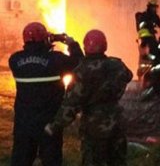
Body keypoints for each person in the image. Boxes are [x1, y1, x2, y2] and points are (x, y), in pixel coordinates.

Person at [45, 29, 133, 166]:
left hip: (94, 126)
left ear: (86, 47)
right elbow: (128, 76)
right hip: (117, 122)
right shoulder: (117, 65)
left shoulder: (81, 72)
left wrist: (54, 126)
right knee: (118, 161)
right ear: (105, 45)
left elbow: (71, 104)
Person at [9, 21, 84, 166]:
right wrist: (72, 44)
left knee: (21, 160)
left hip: (23, 123)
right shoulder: (56, 59)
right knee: (51, 160)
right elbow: (80, 63)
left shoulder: (15, 60)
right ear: (44, 38)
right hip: (49, 123)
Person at [135, 0, 160, 79]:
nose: (155, 9)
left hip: (151, 37)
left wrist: (156, 17)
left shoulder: (154, 16)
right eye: (154, 7)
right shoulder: (144, 15)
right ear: (150, 7)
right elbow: (141, 26)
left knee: (154, 53)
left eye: (156, 7)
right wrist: (149, 26)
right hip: (144, 37)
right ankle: (141, 72)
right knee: (144, 55)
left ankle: (151, 71)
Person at [140, 35, 160, 101]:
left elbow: (155, 57)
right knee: (154, 80)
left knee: (155, 81)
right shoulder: (153, 43)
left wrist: (146, 56)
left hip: (159, 66)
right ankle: (150, 95)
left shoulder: (152, 45)